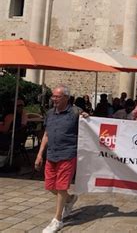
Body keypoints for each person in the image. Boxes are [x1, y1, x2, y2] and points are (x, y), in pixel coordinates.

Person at [34, 85, 85, 233]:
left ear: (66, 98)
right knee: (50, 186)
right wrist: (39, 154)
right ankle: (69, 200)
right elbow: (46, 134)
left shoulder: (75, 112)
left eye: (57, 97)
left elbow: (88, 124)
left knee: (61, 187)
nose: (54, 99)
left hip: (68, 154)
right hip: (51, 154)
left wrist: (86, 117)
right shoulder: (50, 114)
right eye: (53, 96)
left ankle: (57, 220)